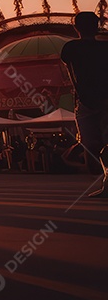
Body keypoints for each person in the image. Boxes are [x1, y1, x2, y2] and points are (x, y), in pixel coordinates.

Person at [61, 11, 108, 197]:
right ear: (97, 26)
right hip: (104, 101)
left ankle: (103, 182)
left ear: (75, 28)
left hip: (87, 102)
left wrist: (80, 95)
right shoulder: (105, 48)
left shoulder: (71, 48)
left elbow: (71, 74)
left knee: (91, 148)